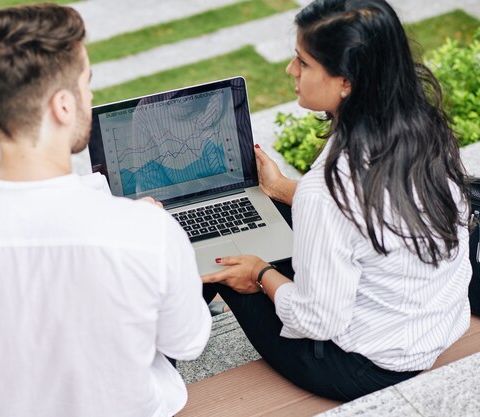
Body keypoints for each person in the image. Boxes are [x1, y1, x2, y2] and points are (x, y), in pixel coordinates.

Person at [0, 5, 211, 417]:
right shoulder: (148, 232)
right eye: (87, 84)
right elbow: (187, 343)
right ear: (63, 105)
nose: (90, 97)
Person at [202, 0, 472, 401]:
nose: (291, 71)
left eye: (303, 62)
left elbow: (317, 319)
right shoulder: (421, 125)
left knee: (216, 252)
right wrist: (278, 188)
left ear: (345, 81)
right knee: (264, 208)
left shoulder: (327, 189)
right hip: (434, 324)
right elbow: (364, 217)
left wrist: (259, 274)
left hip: (361, 367)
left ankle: (164, 348)